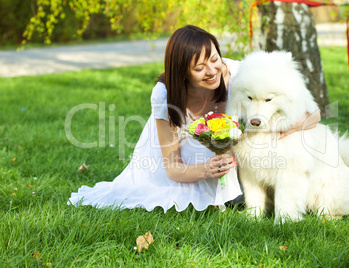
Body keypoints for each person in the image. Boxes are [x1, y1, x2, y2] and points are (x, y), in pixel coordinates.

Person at [69, 25, 320, 212]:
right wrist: (204, 169)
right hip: (184, 159)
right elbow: (173, 167)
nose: (211, 71)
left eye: (213, 59)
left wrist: (292, 125)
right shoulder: (165, 94)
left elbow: (315, 114)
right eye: (199, 67)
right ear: (183, 72)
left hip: (231, 157)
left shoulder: (242, 74)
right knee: (170, 191)